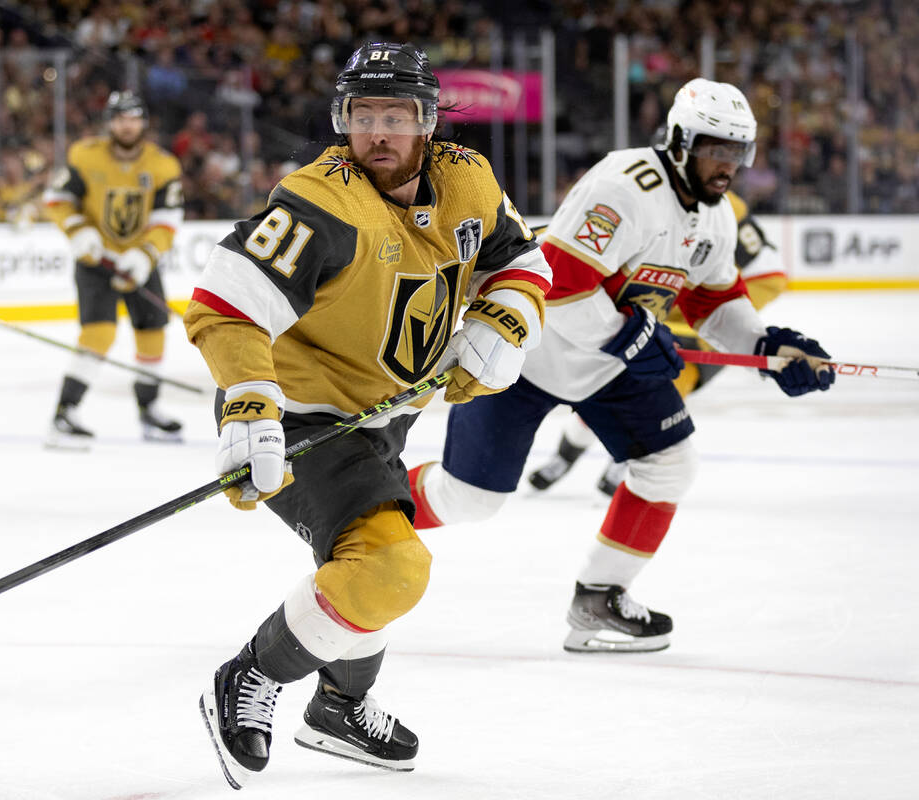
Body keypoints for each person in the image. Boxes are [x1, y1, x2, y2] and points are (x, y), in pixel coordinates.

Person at [183, 42, 551, 788]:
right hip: (301, 419)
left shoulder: (468, 180)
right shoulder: (323, 200)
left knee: (361, 563)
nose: (378, 132)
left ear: (429, 124)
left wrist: (504, 320)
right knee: (390, 564)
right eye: (363, 115)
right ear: (341, 121)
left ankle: (340, 708)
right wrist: (249, 410)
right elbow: (223, 307)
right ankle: (251, 676)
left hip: (380, 418)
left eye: (396, 115)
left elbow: (521, 261)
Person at [408, 78, 834, 654]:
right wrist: (632, 340)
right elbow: (558, 286)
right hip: (525, 350)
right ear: (679, 141)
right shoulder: (624, 186)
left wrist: (768, 348)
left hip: (605, 362)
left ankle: (598, 598)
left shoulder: (715, 215)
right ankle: (366, 514)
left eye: (738, 152)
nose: (727, 165)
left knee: (670, 465)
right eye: (715, 148)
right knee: (468, 499)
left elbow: (711, 301)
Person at [528, 190, 787, 495]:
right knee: (605, 375)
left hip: (714, 300)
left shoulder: (720, 205)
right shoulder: (640, 194)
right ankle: (565, 456)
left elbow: (765, 271)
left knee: (669, 378)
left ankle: (627, 459)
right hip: (670, 296)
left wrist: (711, 321)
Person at [43, 90, 185, 447]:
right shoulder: (85, 156)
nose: (127, 125)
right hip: (96, 260)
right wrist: (78, 230)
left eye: (133, 118)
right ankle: (65, 412)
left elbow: (167, 217)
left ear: (143, 123)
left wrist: (146, 254)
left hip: (140, 259)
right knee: (98, 334)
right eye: (121, 118)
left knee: (153, 331)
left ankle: (149, 409)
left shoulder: (162, 165)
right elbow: (57, 199)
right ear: (110, 122)